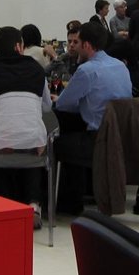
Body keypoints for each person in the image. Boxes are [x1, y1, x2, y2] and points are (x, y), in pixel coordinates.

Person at [0, 26, 52, 229]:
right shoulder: (36, 69)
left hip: (0, 144)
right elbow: (47, 106)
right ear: (18, 46)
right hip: (35, 144)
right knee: (30, 142)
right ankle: (33, 206)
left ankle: (0, 205)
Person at [53, 21, 132, 214]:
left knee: (55, 143)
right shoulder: (120, 66)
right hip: (121, 138)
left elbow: (63, 104)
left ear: (86, 45)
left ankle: (68, 203)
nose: (74, 46)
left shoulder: (87, 70)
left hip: (98, 141)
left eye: (78, 42)